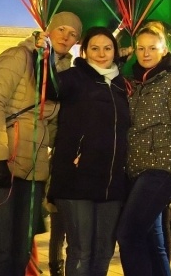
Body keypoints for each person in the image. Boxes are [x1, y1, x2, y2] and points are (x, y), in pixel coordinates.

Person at [0, 11, 81, 276]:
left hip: (32, 168)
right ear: (49, 29)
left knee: (20, 249)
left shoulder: (63, 73)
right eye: (62, 29)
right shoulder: (19, 56)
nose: (66, 36)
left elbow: (53, 128)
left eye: (73, 33)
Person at [116, 22, 171, 276]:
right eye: (140, 48)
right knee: (153, 240)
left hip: (160, 171)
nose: (146, 53)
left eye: (153, 47)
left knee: (128, 234)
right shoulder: (138, 85)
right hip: (135, 171)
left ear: (164, 50)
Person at [49, 26, 130, 276]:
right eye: (94, 48)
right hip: (76, 178)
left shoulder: (122, 84)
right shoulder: (75, 77)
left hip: (113, 181)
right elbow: (50, 87)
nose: (101, 53)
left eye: (107, 48)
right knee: (81, 249)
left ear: (115, 52)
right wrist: (44, 56)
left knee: (104, 249)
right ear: (84, 51)